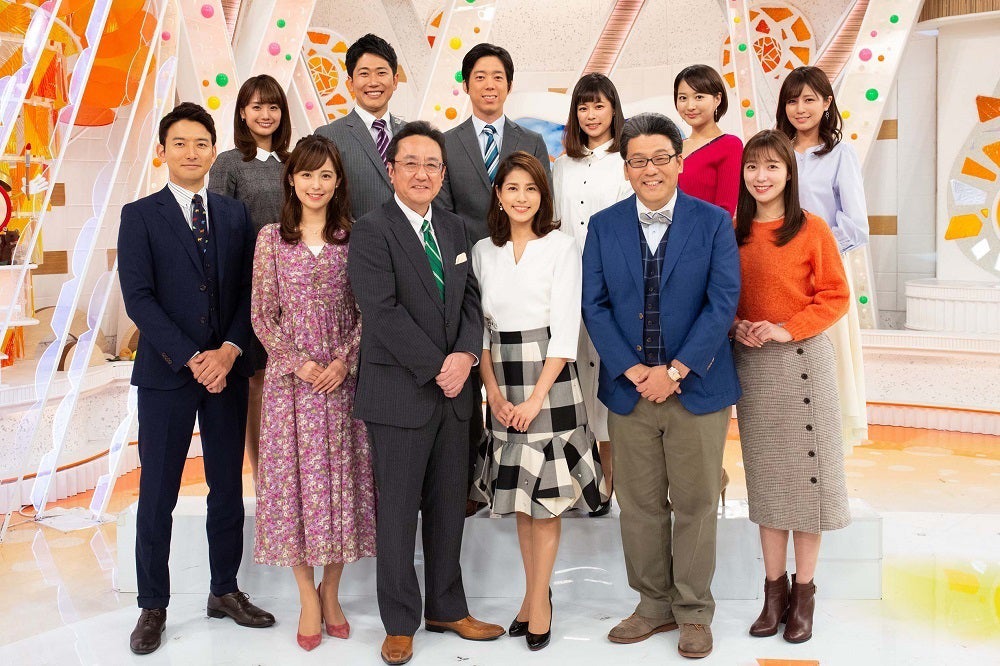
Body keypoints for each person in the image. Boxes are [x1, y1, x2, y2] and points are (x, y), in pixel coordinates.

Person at [582, 113, 741, 660]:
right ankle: (652, 605)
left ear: (679, 162)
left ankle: (693, 611)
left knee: (695, 502)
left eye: (660, 158)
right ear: (625, 168)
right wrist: (633, 371)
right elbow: (595, 306)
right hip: (630, 392)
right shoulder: (603, 226)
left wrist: (674, 371)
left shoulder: (713, 222)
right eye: (638, 160)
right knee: (640, 504)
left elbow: (722, 303)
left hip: (696, 389)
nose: (650, 169)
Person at [117, 102, 274, 656]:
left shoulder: (233, 214)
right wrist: (192, 357)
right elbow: (139, 298)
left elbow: (250, 290)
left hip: (227, 373)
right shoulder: (140, 215)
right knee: (157, 492)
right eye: (179, 143)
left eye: (201, 143)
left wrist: (229, 351)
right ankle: (152, 605)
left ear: (214, 151)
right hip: (167, 375)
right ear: (162, 151)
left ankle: (224, 590)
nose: (191, 152)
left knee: (226, 487)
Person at [347, 121, 504, 666]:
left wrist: (464, 356)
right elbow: (381, 311)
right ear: (391, 170)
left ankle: (446, 607)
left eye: (432, 164)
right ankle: (398, 622)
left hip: (455, 394)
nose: (422, 173)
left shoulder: (455, 228)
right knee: (397, 513)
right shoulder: (371, 230)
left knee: (447, 508)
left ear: (442, 173)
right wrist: (439, 366)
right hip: (399, 395)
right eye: (410, 163)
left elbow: (470, 301)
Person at [470, 151, 606, 651]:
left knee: (545, 500)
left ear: (542, 195)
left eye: (530, 188)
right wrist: (493, 392)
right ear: (498, 195)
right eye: (512, 187)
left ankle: (539, 604)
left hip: (550, 379)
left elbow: (566, 330)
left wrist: (534, 399)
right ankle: (532, 595)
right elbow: (480, 332)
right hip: (501, 381)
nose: (521, 197)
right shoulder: (483, 251)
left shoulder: (561, 247)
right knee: (521, 502)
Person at [250, 135, 377, 652]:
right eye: (306, 174)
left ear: (338, 181)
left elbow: (369, 311)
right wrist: (298, 363)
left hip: (343, 384)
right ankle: (306, 596)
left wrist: (344, 360)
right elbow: (263, 315)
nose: (316, 184)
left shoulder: (356, 237)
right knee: (294, 491)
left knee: (342, 486)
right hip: (291, 388)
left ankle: (332, 591)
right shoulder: (270, 239)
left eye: (326, 175)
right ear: (291, 180)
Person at [732, 129, 851, 643]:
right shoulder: (731, 232)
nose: (761, 177)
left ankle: (804, 597)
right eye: (752, 167)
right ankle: (773, 595)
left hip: (803, 362)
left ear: (789, 173)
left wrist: (787, 328)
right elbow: (719, 295)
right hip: (754, 368)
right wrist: (736, 325)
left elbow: (836, 295)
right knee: (768, 486)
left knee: (807, 485)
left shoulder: (812, 229)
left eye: (772, 167)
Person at [436, 42, 552, 514]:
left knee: (517, 379)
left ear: (509, 84)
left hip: (521, 272)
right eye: (480, 77)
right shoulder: (446, 142)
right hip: (464, 275)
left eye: (498, 77)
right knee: (467, 382)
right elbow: (441, 214)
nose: (489, 85)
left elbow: (543, 205)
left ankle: (522, 478)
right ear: (466, 84)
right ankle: (469, 483)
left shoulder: (533, 140)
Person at [776, 65, 869, 449]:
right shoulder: (776, 151)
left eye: (809, 100)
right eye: (792, 101)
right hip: (778, 271)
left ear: (827, 103)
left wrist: (813, 250)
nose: (800, 108)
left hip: (822, 272)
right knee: (783, 360)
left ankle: (827, 449)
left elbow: (856, 225)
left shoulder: (840, 154)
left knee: (825, 361)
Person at [552, 73, 631, 518]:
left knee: (608, 380)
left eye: (599, 105)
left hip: (612, 288)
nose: (591, 114)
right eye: (583, 107)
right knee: (573, 378)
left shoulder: (625, 161)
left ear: (613, 110)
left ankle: (609, 481)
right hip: (568, 286)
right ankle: (576, 479)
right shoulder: (562, 165)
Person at [208, 73, 291, 481]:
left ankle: (293, 476)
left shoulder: (294, 162)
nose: (265, 114)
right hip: (252, 288)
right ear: (242, 112)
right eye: (257, 106)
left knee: (292, 380)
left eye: (273, 106)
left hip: (295, 287)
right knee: (257, 381)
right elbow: (217, 228)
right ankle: (263, 479)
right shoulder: (229, 163)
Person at [315, 33, 405, 220]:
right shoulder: (328, 136)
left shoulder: (411, 135)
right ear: (350, 82)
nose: (373, 82)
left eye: (381, 73)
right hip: (354, 236)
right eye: (364, 74)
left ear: (395, 80)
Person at [674, 64, 743, 217]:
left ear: (717, 99)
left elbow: (725, 210)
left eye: (699, 97)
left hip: (708, 231)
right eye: (683, 98)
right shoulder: (673, 148)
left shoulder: (730, 145)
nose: (690, 106)